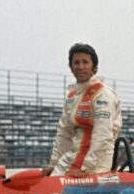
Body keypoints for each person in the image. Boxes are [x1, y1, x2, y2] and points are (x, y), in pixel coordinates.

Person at [44, 43, 122, 177]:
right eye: (76, 62)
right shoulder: (72, 96)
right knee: (48, 183)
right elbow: (64, 133)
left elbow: (103, 134)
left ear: (94, 66)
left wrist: (86, 168)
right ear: (71, 67)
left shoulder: (103, 94)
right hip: (72, 157)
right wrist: (54, 164)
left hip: (98, 163)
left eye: (85, 62)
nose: (80, 67)